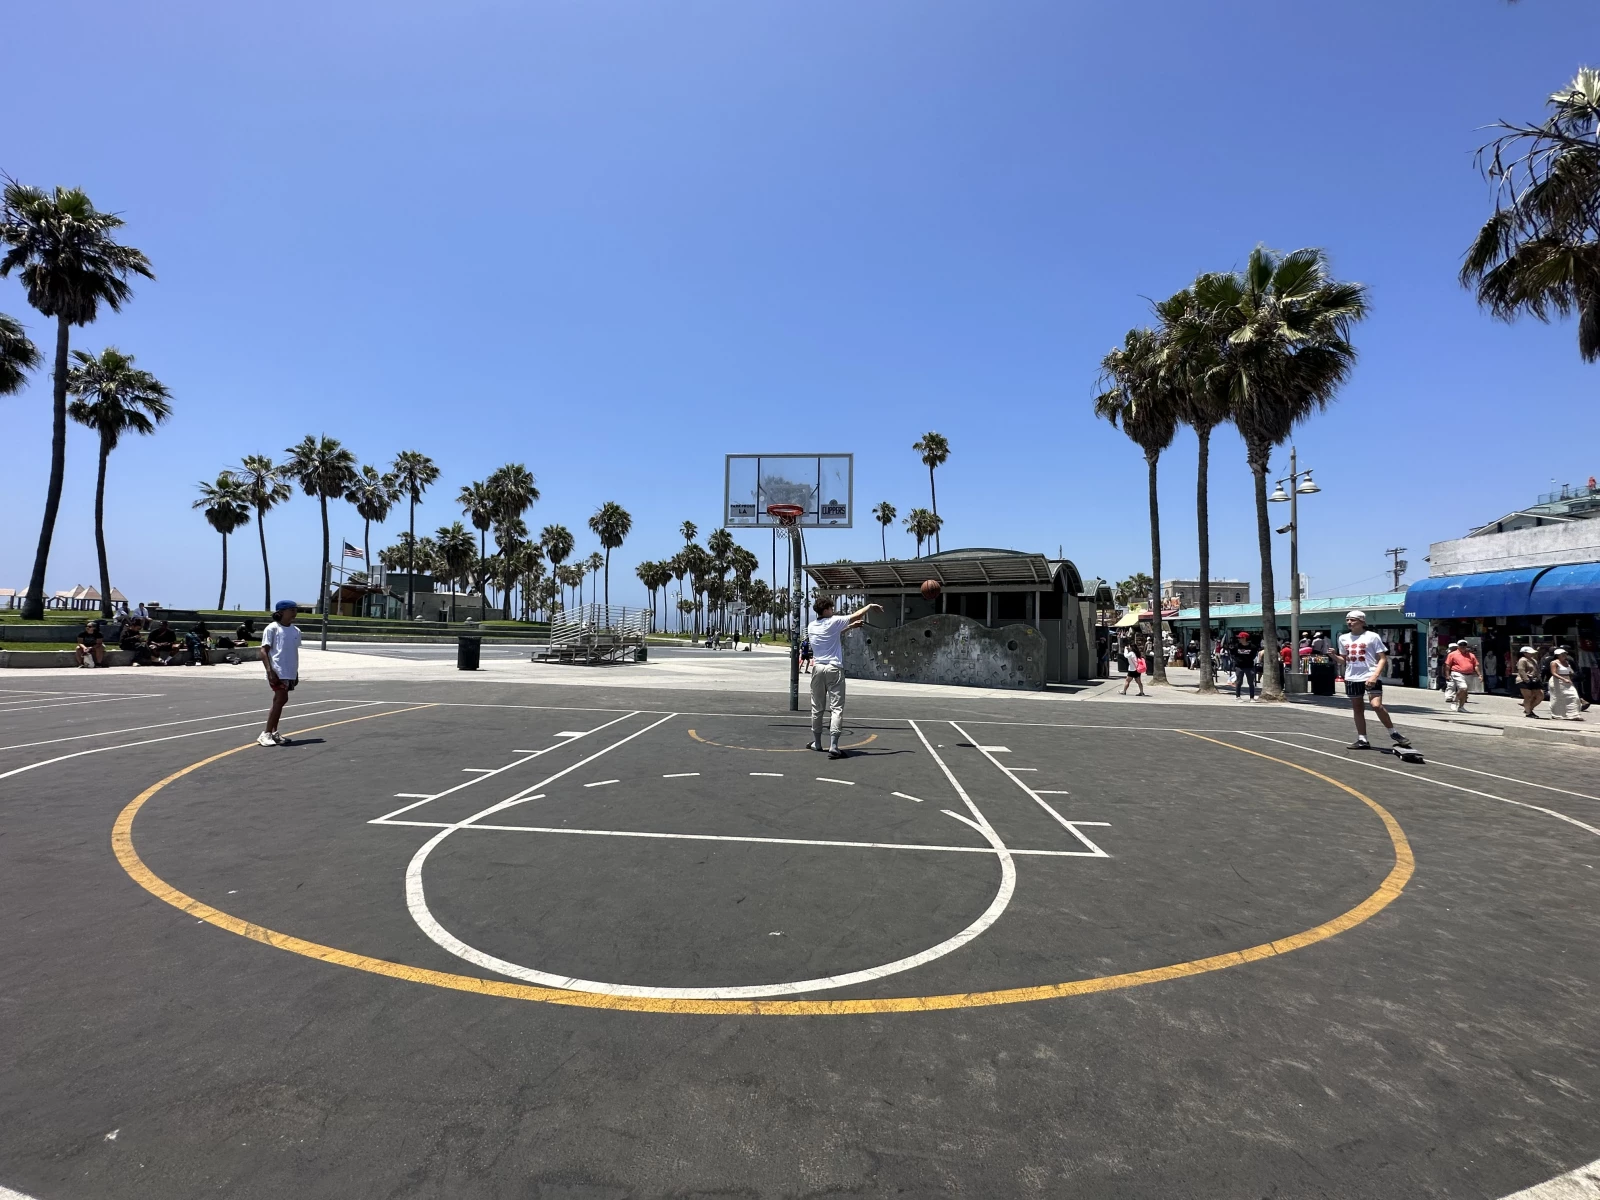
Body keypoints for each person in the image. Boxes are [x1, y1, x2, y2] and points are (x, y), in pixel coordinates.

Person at [804, 594, 881, 759]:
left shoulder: (811, 626)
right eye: (831, 608)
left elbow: (833, 635)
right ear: (825, 610)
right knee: (836, 708)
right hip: (833, 668)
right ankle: (833, 746)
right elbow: (857, 614)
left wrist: (850, 627)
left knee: (817, 708)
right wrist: (870, 606)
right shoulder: (833, 621)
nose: (833, 610)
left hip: (817, 669)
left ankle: (817, 743)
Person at [1332, 609, 1412, 750]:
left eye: (1353, 619)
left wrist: (1374, 675)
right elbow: (1343, 660)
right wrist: (1333, 655)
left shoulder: (1372, 636)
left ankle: (1394, 733)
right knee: (1357, 708)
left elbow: (1382, 659)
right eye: (1348, 620)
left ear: (1362, 622)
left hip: (1370, 675)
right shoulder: (1343, 638)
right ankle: (1362, 739)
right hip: (1351, 677)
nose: (1349, 622)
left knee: (1376, 705)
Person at [258, 601, 302, 746]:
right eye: (291, 610)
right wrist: (270, 671)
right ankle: (266, 734)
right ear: (281, 612)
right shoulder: (272, 629)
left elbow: (292, 652)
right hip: (277, 671)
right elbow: (264, 651)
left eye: (296, 610)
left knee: (280, 700)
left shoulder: (296, 630)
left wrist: (295, 673)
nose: (295, 612)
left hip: (289, 672)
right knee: (280, 699)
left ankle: (274, 733)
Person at [1444, 640, 1482, 712]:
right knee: (1463, 687)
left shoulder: (1471, 655)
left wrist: (1479, 675)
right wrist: (1447, 675)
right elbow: (1447, 665)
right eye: (1461, 645)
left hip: (1469, 674)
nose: (1463, 647)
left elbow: (1476, 666)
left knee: (1465, 692)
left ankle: (1461, 707)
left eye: (1464, 645)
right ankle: (1455, 701)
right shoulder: (1452, 654)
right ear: (1458, 646)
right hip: (1457, 673)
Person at [1549, 648, 1583, 720]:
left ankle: (1574, 715)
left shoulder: (1567, 662)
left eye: (1565, 654)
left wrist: (1572, 675)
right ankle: (1557, 714)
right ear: (1557, 655)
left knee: (1574, 696)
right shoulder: (1554, 663)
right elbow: (1554, 673)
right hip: (1557, 681)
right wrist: (1563, 679)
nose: (1564, 655)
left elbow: (1570, 671)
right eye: (1562, 654)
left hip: (1567, 680)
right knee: (1558, 698)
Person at [1515, 645, 1544, 718]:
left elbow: (1536, 670)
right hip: (1524, 680)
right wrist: (1526, 680)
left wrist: (1538, 678)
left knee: (1540, 695)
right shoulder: (1522, 660)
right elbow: (1521, 670)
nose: (1532, 654)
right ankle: (1528, 712)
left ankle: (1529, 708)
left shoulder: (1533, 660)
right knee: (1528, 696)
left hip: (1535, 680)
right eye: (1529, 653)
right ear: (1524, 653)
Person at [1234, 632, 1257, 701]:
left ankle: (1252, 697)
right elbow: (1234, 655)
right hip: (1239, 666)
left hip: (1249, 666)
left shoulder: (1252, 647)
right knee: (1239, 682)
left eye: (1240, 638)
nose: (1239, 639)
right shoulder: (1237, 646)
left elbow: (1253, 656)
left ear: (1244, 638)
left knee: (1250, 682)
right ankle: (1238, 696)